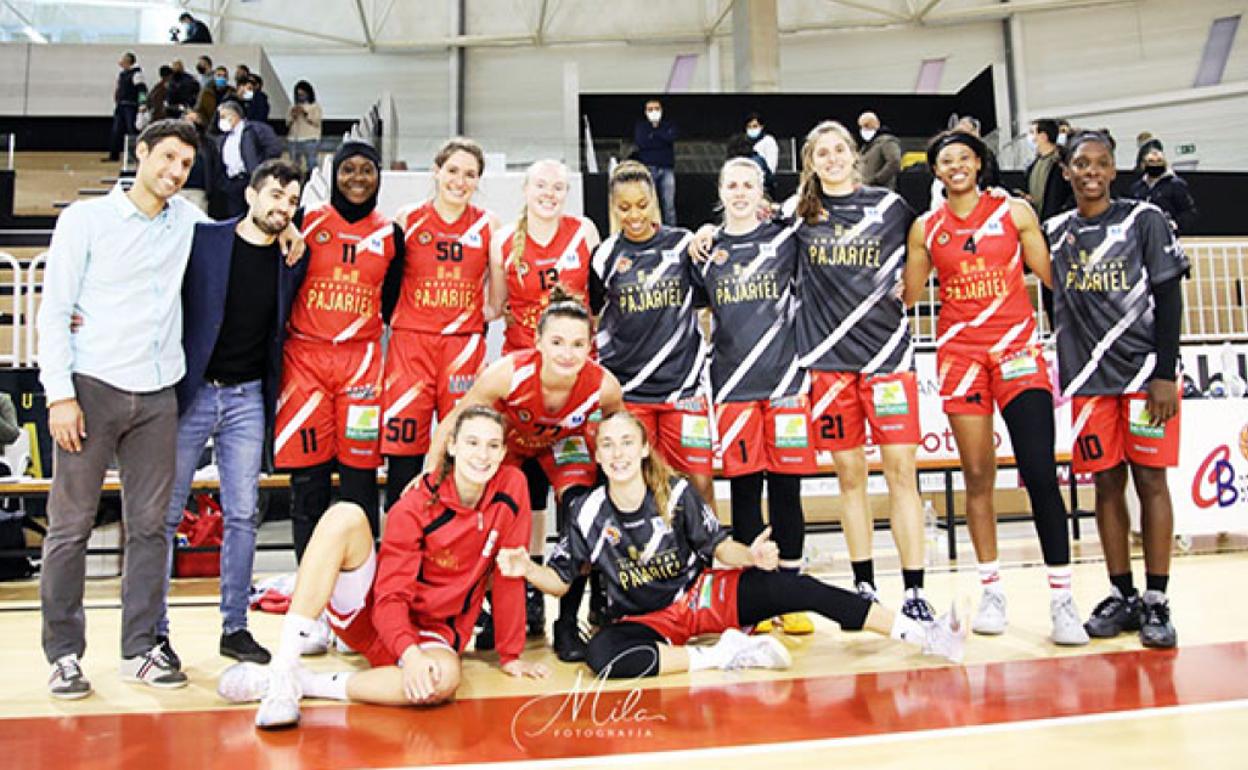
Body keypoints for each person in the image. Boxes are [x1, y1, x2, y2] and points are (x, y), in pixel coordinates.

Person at [498, 410, 966, 679]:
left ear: (644, 450)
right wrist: (526, 568)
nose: (618, 454)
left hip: (700, 597)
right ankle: (723, 655)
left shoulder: (676, 493)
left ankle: (923, 634)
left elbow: (720, 548)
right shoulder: (587, 510)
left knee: (792, 587)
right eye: (608, 446)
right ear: (597, 455)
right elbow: (560, 581)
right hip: (645, 619)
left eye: (627, 443)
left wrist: (753, 556)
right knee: (603, 658)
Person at [217, 406, 549, 729]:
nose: (482, 455)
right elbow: (390, 596)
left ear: (504, 451)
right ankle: (284, 668)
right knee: (344, 515)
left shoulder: (511, 487)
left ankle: (301, 683)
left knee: (443, 682)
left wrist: (511, 653)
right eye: (472, 443)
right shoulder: (416, 503)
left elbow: (511, 572)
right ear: (451, 446)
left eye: (493, 446)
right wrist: (409, 653)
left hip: (436, 631)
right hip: (374, 616)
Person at [37, 120, 206, 699]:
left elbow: (242, 236)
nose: (175, 172)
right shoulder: (85, 220)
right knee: (70, 527)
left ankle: (140, 648)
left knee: (152, 528)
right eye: (167, 158)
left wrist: (287, 236)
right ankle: (63, 654)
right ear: (141, 154)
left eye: (184, 164)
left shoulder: (187, 221)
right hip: (90, 388)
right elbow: (54, 310)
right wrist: (59, 392)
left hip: (158, 393)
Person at [903, 130, 1088, 646]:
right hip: (961, 358)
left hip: (1017, 353)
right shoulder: (926, 228)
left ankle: (1062, 600)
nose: (957, 166)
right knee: (977, 475)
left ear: (979, 164)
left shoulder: (1015, 214)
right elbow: (908, 293)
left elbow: (1054, 279)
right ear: (936, 171)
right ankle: (991, 590)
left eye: (965, 157)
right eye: (946, 160)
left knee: (1038, 472)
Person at [153, 160, 304, 667]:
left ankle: (235, 626)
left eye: (292, 202)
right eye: (276, 196)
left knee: (242, 516)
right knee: (167, 515)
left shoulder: (292, 258)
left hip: (247, 398)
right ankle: (153, 630)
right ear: (251, 195)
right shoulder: (205, 240)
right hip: (193, 393)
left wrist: (297, 232)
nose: (283, 207)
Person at [422, 293, 625, 662]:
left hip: (563, 444)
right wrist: (430, 474)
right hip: (512, 442)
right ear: (538, 342)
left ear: (590, 347)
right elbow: (457, 419)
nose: (567, 353)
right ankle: (499, 613)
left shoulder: (604, 385)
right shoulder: (508, 373)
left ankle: (566, 622)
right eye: (558, 342)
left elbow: (620, 431)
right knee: (497, 510)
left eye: (578, 344)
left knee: (579, 510)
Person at [782, 121, 931, 621]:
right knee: (850, 478)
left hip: (887, 360)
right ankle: (863, 585)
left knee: (902, 475)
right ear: (811, 161)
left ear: (854, 155)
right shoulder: (799, 215)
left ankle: (914, 590)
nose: (832, 158)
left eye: (839, 149)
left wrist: (909, 289)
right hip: (828, 366)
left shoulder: (889, 207)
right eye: (821, 152)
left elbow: (930, 244)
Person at [1046, 130, 1188, 649]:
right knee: (1105, 485)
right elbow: (1050, 298)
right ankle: (1121, 594)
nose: (1090, 172)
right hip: (1089, 382)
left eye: (1100, 163)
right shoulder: (1056, 231)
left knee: (1151, 481)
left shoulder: (1143, 220)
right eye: (1080, 163)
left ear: (1113, 170)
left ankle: (1156, 599)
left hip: (1146, 377)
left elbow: (1169, 298)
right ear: (1065, 171)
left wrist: (1166, 373)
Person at [688, 158, 820, 636]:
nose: (740, 192)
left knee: (787, 492)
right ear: (720, 191)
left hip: (785, 385)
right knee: (745, 493)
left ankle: (791, 591)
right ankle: (752, 598)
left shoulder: (785, 240)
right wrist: (699, 233)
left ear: (761, 191)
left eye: (748, 184)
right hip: (733, 388)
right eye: (732, 185)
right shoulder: (704, 250)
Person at [275, 141, 404, 560]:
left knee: (359, 480)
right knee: (308, 481)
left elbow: (392, 300)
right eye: (348, 169)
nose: (357, 178)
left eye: (367, 170)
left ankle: (358, 590)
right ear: (334, 175)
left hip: (361, 365)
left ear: (379, 177)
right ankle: (308, 590)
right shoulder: (306, 220)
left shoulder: (389, 234)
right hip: (306, 364)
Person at [490, 159, 601, 634]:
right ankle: (527, 598)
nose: (549, 193)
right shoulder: (502, 241)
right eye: (541, 185)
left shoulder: (585, 232)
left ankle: (579, 609)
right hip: (523, 382)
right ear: (525, 188)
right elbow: (493, 307)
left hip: (575, 378)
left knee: (577, 499)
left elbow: (604, 300)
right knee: (525, 497)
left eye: (558, 187)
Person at [381, 138, 500, 507]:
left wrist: (467, 316)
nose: (459, 181)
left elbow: (497, 301)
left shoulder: (489, 224)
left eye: (470, 174)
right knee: (404, 450)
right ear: (436, 171)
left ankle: (457, 542)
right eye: (452, 171)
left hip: (462, 348)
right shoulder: (407, 218)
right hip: (410, 345)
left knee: (463, 447)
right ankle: (403, 542)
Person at [592, 161, 716, 512]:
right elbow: (591, 314)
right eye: (624, 207)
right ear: (614, 207)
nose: (634, 215)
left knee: (699, 483)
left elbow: (705, 306)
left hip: (684, 390)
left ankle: (706, 564)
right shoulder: (604, 256)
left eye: (642, 205)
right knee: (636, 486)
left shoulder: (683, 245)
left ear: (656, 201)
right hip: (630, 392)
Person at [214, 101, 283, 218]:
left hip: (250, 179)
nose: (221, 120)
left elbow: (274, 149)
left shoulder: (255, 129)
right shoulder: (223, 138)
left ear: (234, 115)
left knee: (253, 215)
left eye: (223, 116)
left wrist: (261, 167)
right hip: (231, 182)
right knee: (234, 217)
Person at [1129, 144, 1198, 233]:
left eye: (1159, 161)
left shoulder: (1176, 184)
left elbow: (1189, 212)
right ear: (1143, 164)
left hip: (1166, 234)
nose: (1155, 165)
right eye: (1151, 161)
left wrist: (1175, 224)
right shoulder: (1137, 187)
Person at [633, 98, 678, 224]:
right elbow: (642, 143)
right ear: (645, 112)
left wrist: (654, 134)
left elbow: (671, 137)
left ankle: (672, 233)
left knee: (668, 204)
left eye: (656, 109)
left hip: (666, 168)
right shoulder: (641, 127)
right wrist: (659, 136)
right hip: (648, 168)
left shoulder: (668, 125)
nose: (654, 112)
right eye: (650, 109)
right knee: (649, 202)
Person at [1024, 118, 1074, 222]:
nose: (1031, 138)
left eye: (1033, 133)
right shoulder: (1033, 165)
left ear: (1043, 136)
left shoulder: (1062, 162)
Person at [107, 52, 147, 163]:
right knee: (116, 131)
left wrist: (142, 104)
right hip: (122, 105)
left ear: (128, 61)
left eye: (123, 59)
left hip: (131, 106)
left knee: (132, 131)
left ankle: (134, 156)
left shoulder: (137, 74)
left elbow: (142, 90)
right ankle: (114, 155)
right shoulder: (123, 74)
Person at [286, 80, 322, 178]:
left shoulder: (315, 106)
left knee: (311, 163)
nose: (300, 96)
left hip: (310, 139)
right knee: (293, 165)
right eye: (298, 94)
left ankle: (312, 181)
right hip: (294, 139)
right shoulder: (292, 106)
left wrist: (305, 113)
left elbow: (316, 121)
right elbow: (287, 123)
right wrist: (293, 115)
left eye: (303, 94)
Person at [857, 111, 901, 190]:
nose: (863, 129)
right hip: (866, 191)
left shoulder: (887, 142)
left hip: (881, 191)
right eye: (861, 126)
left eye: (867, 125)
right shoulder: (866, 146)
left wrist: (877, 180)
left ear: (877, 124)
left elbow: (894, 161)